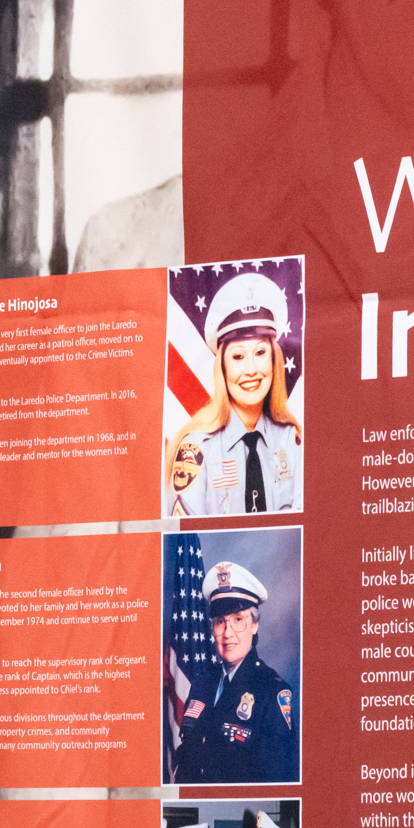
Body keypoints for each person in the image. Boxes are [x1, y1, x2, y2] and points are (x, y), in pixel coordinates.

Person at [165, 272, 303, 517]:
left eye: (260, 353)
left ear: (273, 362)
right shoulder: (196, 450)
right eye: (238, 356)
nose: (251, 370)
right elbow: (187, 540)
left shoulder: (291, 442)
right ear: (223, 367)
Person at [168, 561, 299, 784]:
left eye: (238, 620)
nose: (228, 633)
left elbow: (279, 778)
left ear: (255, 625)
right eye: (220, 622)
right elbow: (186, 761)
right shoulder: (201, 684)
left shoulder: (271, 691)